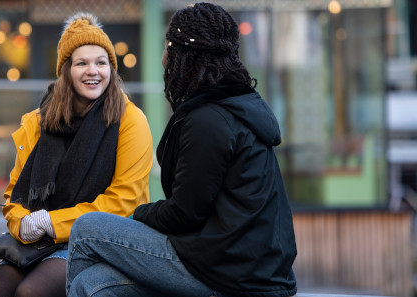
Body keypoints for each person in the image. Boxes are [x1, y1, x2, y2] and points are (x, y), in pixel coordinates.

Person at [66, 2, 297, 297]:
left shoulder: (210, 120)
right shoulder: (234, 108)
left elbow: (185, 214)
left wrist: (139, 216)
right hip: (245, 267)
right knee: (92, 285)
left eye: (166, 47)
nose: (162, 59)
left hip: (230, 274)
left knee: (87, 228)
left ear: (182, 56)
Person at [0, 12, 153, 297]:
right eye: (81, 63)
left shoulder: (130, 120)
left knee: (32, 292)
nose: (92, 71)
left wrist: (52, 223)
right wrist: (22, 223)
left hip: (97, 239)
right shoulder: (39, 121)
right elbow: (15, 196)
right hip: (38, 242)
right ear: (66, 71)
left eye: (101, 62)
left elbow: (125, 201)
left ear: (112, 68)